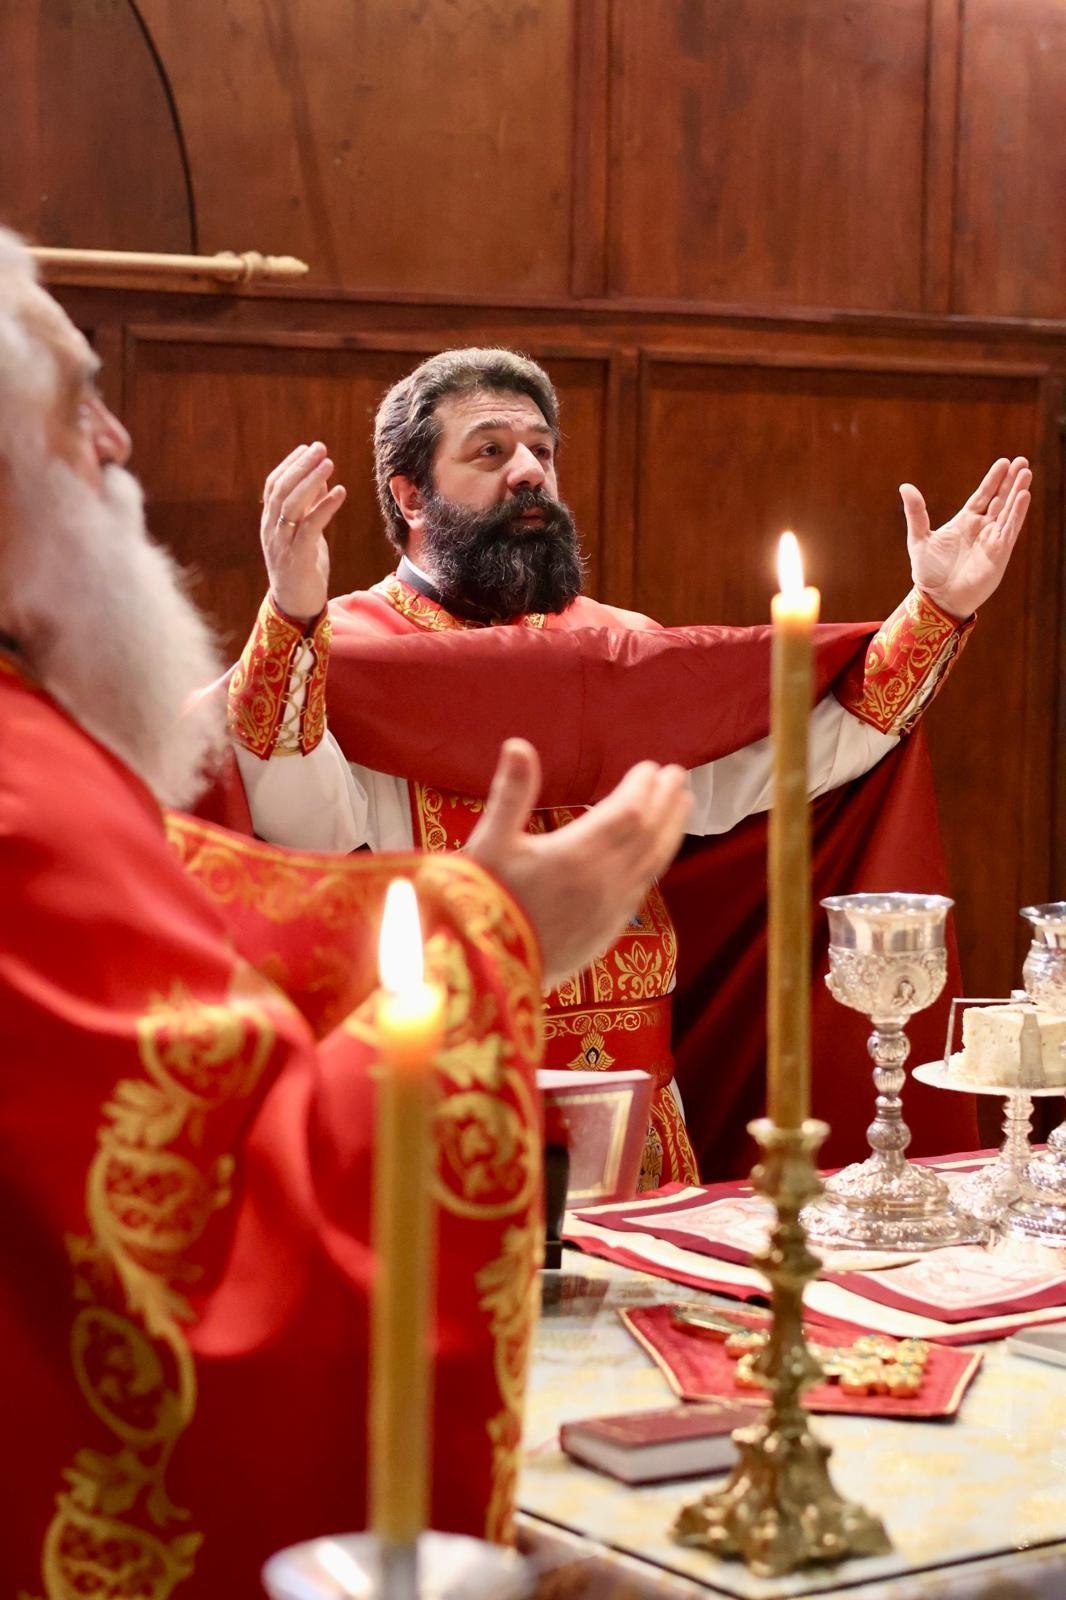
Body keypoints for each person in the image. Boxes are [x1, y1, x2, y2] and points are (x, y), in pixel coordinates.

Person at [0, 234, 693, 1597]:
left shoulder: (36, 741)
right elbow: (197, 1232)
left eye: (534, 447)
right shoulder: (33, 788)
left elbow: (211, 906)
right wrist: (488, 934)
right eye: (77, 401)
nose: (119, 435)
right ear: (408, 496)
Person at [228, 348, 1030, 1186]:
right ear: (408, 493)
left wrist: (937, 609)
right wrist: (291, 614)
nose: (529, 472)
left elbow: (794, 757)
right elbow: (298, 826)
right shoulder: (348, 651)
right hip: (451, 1106)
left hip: (641, 1120)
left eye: (542, 450)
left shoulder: (620, 647)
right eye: (490, 451)